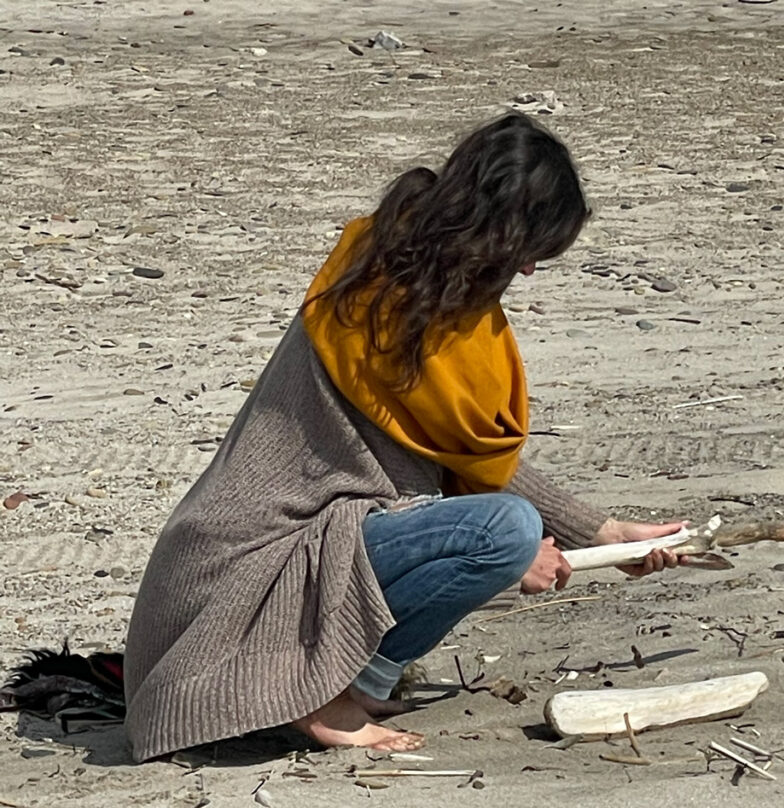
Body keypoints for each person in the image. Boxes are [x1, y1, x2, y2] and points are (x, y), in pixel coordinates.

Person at [122, 113, 688, 761]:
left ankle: (348, 681)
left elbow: (460, 460)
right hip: (240, 571)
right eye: (530, 250)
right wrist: (517, 551)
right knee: (506, 531)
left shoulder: (405, 276)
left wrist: (604, 534)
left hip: (297, 546)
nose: (528, 271)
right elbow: (432, 498)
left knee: (507, 530)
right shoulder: (385, 304)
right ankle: (315, 693)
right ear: (500, 233)